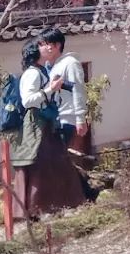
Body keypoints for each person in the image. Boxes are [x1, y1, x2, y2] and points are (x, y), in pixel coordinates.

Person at [10, 42, 86, 219]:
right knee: (40, 165)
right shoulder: (32, 73)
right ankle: (37, 208)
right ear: (35, 52)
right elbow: (28, 101)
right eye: (42, 45)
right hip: (37, 124)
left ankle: (52, 206)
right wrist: (50, 89)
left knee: (53, 164)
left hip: (45, 122)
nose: (47, 47)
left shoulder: (42, 70)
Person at [39, 28, 96, 197]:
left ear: (56, 46)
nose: (41, 48)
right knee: (59, 157)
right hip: (57, 117)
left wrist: (80, 118)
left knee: (60, 156)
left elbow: (78, 90)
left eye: (44, 44)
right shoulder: (51, 66)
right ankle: (80, 192)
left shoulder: (70, 63)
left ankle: (84, 192)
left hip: (67, 116)